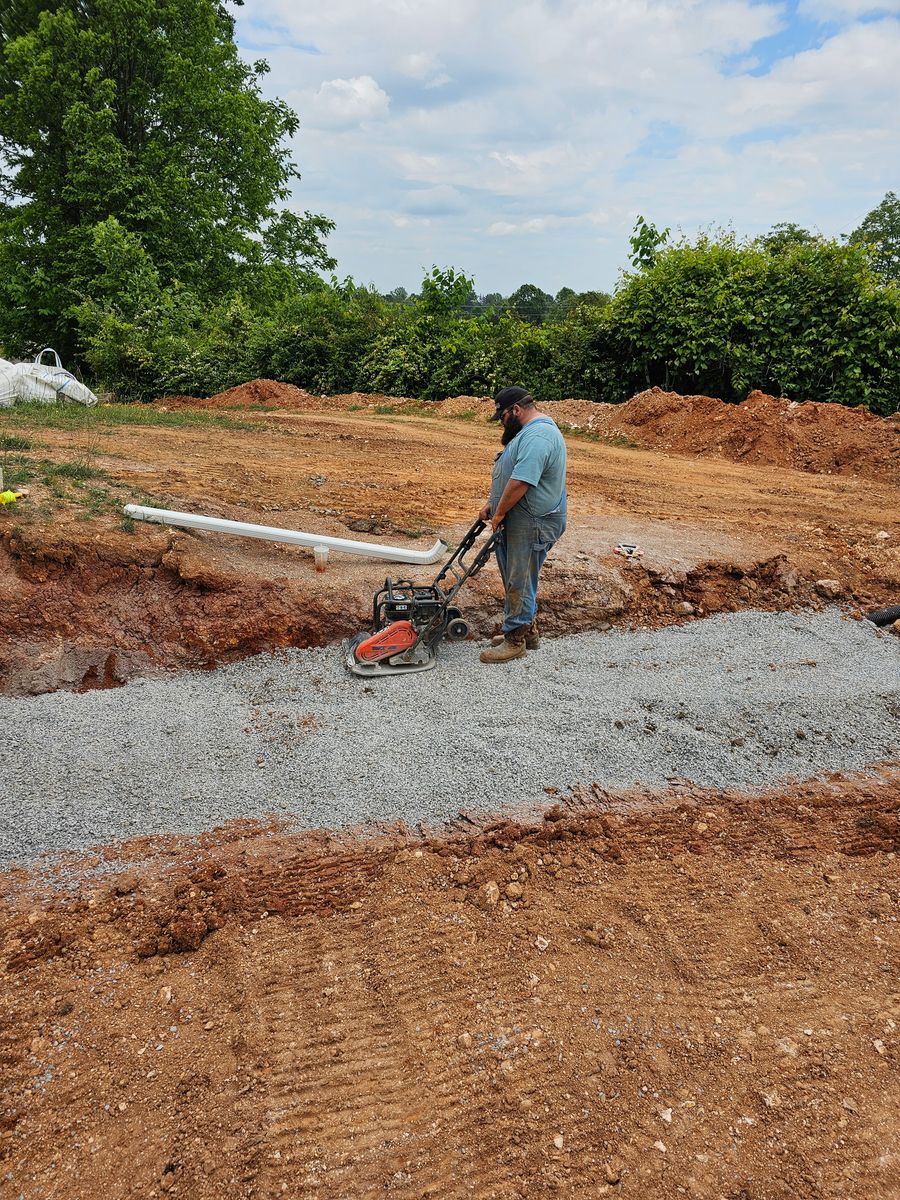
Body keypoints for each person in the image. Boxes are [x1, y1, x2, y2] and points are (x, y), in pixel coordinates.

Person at [477, 385, 567, 663]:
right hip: (523, 518)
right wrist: (494, 504)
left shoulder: (539, 435)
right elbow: (515, 475)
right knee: (519, 575)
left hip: (532, 521)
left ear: (515, 410)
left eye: (502, 417)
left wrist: (501, 512)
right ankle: (527, 630)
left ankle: (515, 640)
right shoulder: (530, 433)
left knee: (519, 577)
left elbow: (522, 481)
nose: (502, 423)